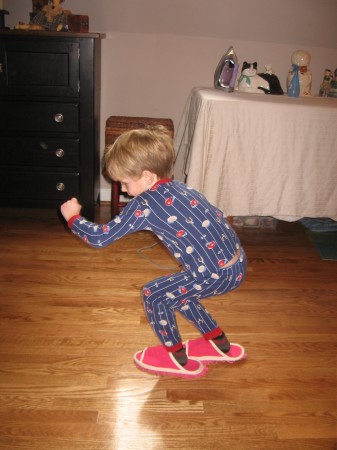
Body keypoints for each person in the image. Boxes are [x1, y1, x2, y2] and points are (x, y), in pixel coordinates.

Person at [60, 125, 247, 378]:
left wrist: (73, 218)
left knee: (153, 294)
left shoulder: (145, 204)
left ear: (148, 178)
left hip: (213, 273)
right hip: (236, 266)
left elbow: (99, 238)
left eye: (125, 182)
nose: (124, 190)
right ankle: (218, 343)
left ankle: (176, 357)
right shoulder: (183, 188)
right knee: (177, 294)